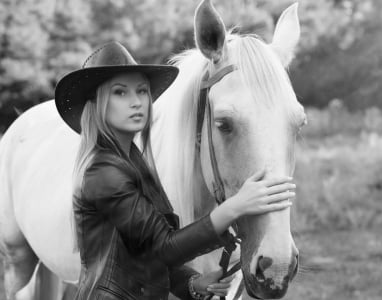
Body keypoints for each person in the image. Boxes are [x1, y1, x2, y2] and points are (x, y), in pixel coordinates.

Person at [54, 41, 295, 300]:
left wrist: (193, 284)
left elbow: (143, 255)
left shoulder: (132, 162)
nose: (136, 102)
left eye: (142, 91)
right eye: (120, 93)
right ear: (98, 105)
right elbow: (163, 248)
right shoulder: (103, 173)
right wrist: (234, 207)